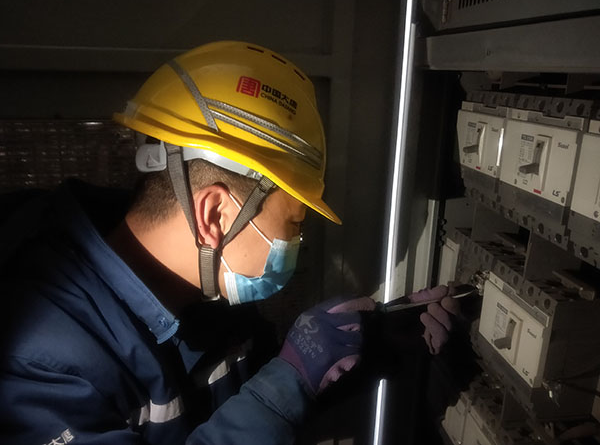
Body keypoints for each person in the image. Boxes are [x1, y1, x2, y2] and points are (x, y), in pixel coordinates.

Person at [0, 41, 458, 445]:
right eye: (294, 224)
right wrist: (287, 383)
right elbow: (268, 401)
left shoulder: (207, 298)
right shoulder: (39, 361)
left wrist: (365, 348)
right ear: (215, 215)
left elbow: (253, 404)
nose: (297, 243)